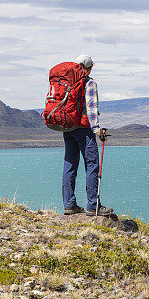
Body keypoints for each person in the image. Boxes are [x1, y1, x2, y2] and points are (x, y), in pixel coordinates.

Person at [62, 54, 114, 217]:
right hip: (83, 128)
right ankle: (93, 205)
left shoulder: (66, 83)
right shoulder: (89, 82)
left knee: (70, 165)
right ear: (89, 67)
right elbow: (91, 108)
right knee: (92, 164)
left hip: (67, 127)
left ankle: (69, 205)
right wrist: (97, 129)